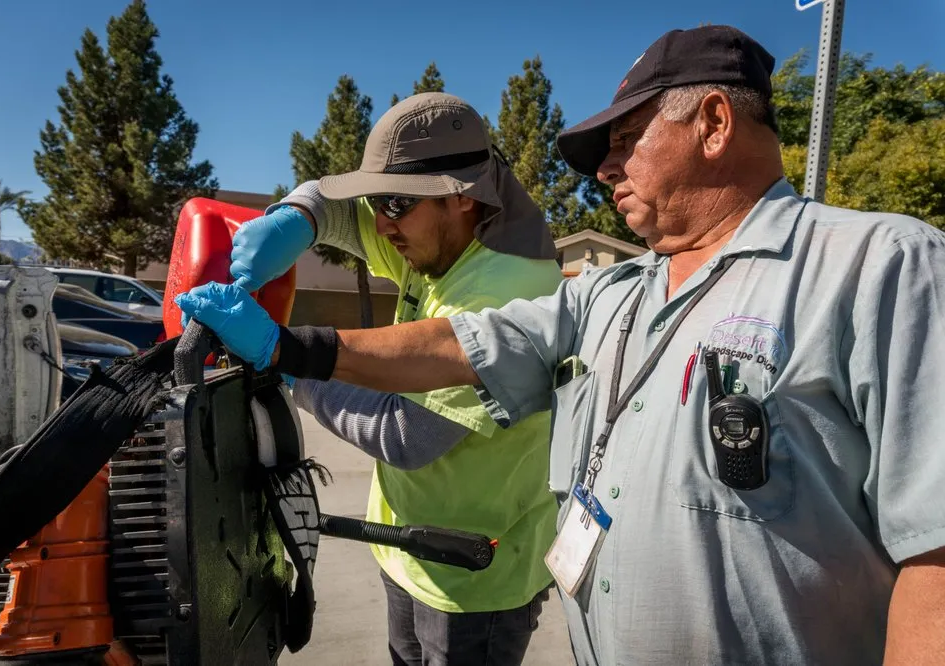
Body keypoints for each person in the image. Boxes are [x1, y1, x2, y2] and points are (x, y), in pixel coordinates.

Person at [176, 25, 945, 665]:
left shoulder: (881, 267)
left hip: (476, 583)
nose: (606, 169)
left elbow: (935, 554)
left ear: (713, 123)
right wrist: (295, 332)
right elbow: (466, 344)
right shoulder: (617, 290)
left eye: (627, 139)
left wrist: (290, 362)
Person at [190, 92, 564, 665]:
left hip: (473, 575)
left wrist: (286, 364)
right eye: (377, 201)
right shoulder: (439, 235)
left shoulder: (502, 286)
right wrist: (297, 217)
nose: (381, 223)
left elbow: (406, 434)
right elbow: (333, 207)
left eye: (395, 204)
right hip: (406, 545)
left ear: (462, 197)